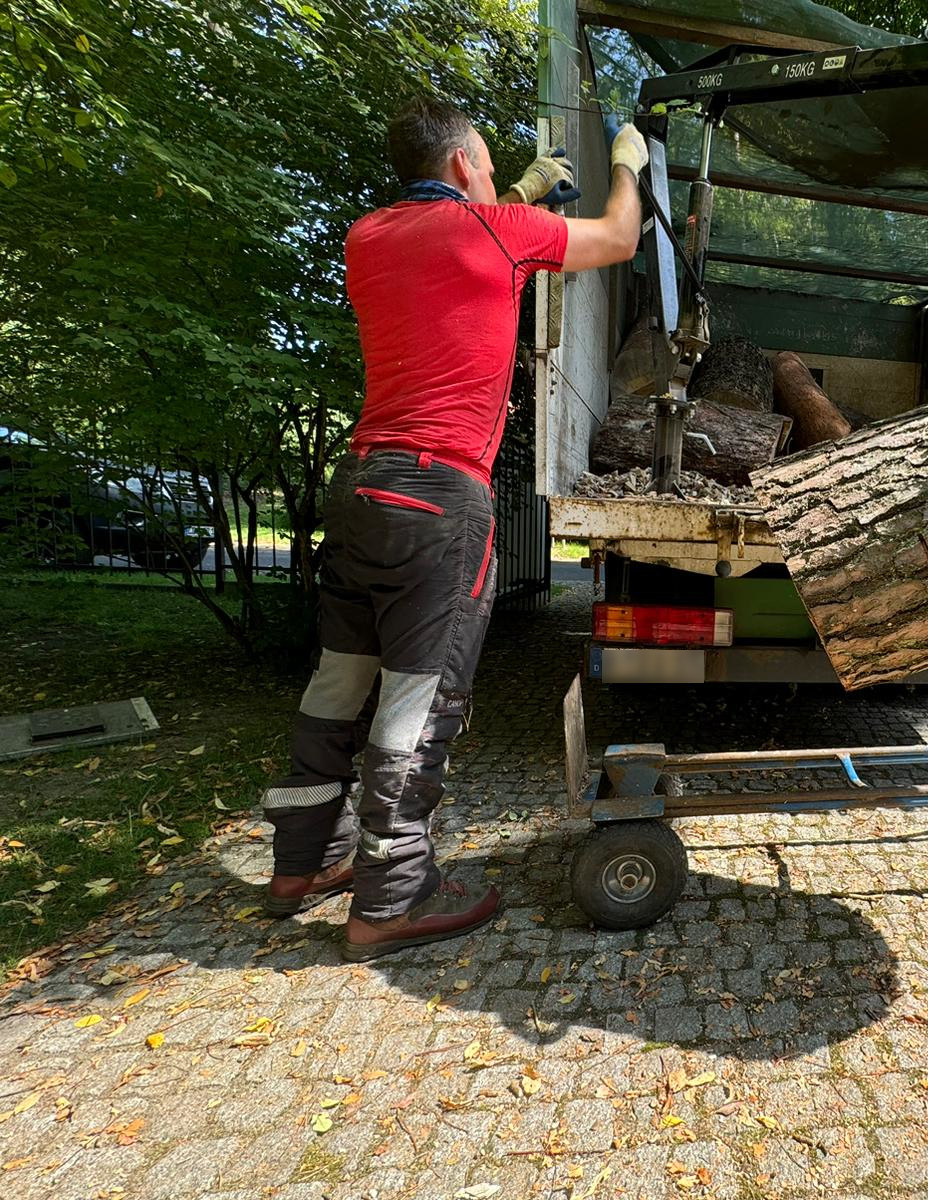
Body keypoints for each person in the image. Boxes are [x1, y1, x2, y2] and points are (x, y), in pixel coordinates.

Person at [259, 97, 646, 961]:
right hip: (439, 500)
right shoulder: (498, 232)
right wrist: (629, 161)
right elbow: (618, 238)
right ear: (466, 162)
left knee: (337, 683)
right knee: (417, 701)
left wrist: (521, 192)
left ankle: (301, 865)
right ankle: (391, 900)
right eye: (488, 164)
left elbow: (456, 244)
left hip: (361, 487)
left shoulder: (368, 237)